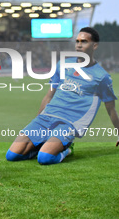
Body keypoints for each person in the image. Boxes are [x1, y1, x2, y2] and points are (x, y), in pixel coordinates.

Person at [6, 27, 119, 165]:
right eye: (77, 41)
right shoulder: (63, 65)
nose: (79, 44)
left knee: (45, 159)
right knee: (12, 155)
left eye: (84, 41)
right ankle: (41, 146)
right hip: (46, 117)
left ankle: (67, 149)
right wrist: (38, 119)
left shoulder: (102, 77)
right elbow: (49, 95)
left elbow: (111, 109)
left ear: (94, 45)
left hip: (68, 123)